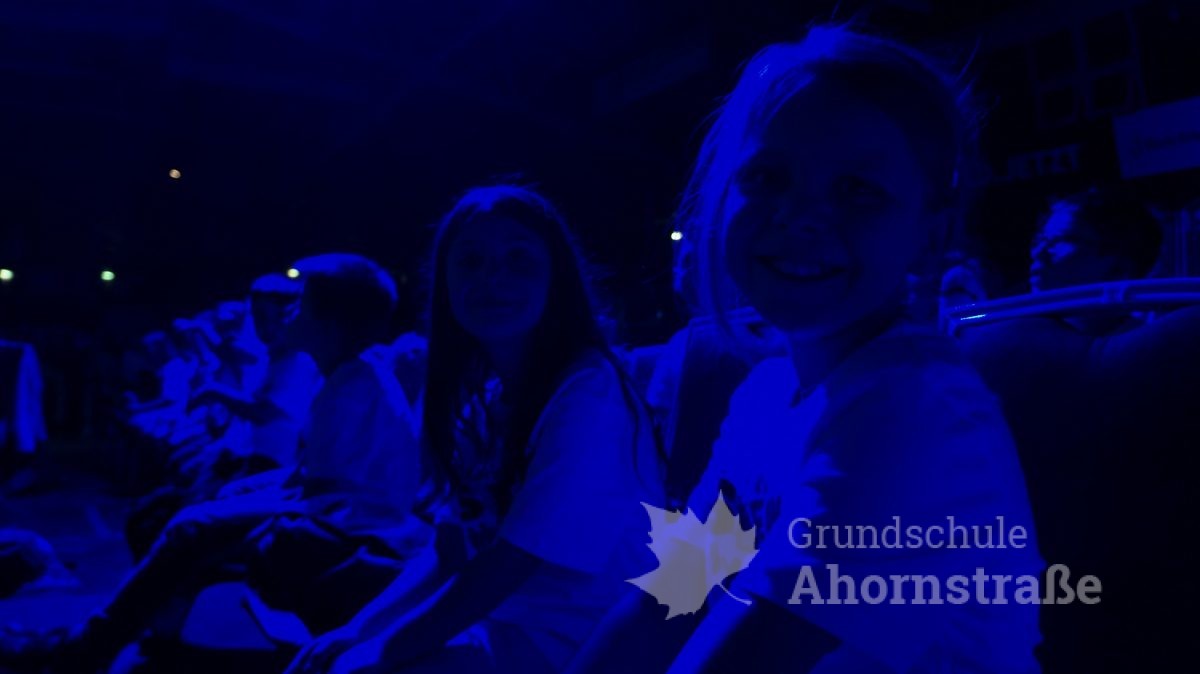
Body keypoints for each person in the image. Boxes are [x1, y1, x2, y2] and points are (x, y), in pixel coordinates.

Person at [570, 25, 1042, 674]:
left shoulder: (915, 412)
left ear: (930, 237)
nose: (800, 216)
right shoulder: (765, 396)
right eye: (769, 176)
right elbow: (669, 601)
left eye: (857, 189)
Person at [286, 185, 663, 674]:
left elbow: (512, 561)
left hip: (582, 639)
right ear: (445, 284)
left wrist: (377, 652)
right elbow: (448, 553)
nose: (492, 278)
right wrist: (357, 632)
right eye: (470, 261)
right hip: (505, 623)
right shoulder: (485, 401)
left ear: (557, 279)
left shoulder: (589, 390)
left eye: (519, 260)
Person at [0, 254, 424, 673]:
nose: (288, 314)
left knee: (191, 525)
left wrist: (235, 499)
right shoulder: (345, 377)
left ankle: (84, 649)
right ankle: (123, 635)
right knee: (177, 511)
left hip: (353, 523)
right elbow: (314, 475)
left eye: (300, 304)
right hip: (336, 508)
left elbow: (321, 489)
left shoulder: (352, 388)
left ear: (329, 324)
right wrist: (242, 493)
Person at [1029, 186, 1163, 335]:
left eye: (1060, 240)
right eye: (1041, 240)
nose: (1038, 252)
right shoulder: (1026, 338)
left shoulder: (1150, 346)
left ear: (1117, 271)